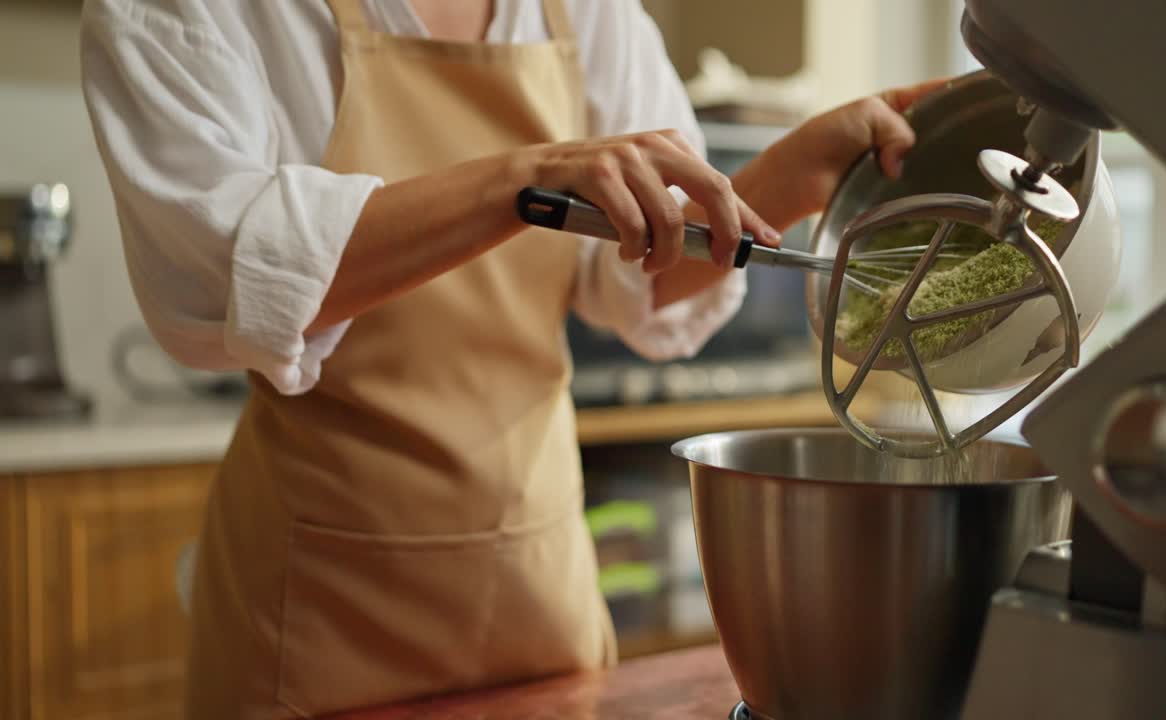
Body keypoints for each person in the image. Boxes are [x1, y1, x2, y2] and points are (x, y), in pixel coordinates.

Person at [80, 0, 943, 717]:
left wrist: (796, 171)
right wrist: (519, 182)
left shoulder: (584, 11)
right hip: (315, 622)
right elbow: (222, 273)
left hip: (542, 596)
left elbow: (640, 274)